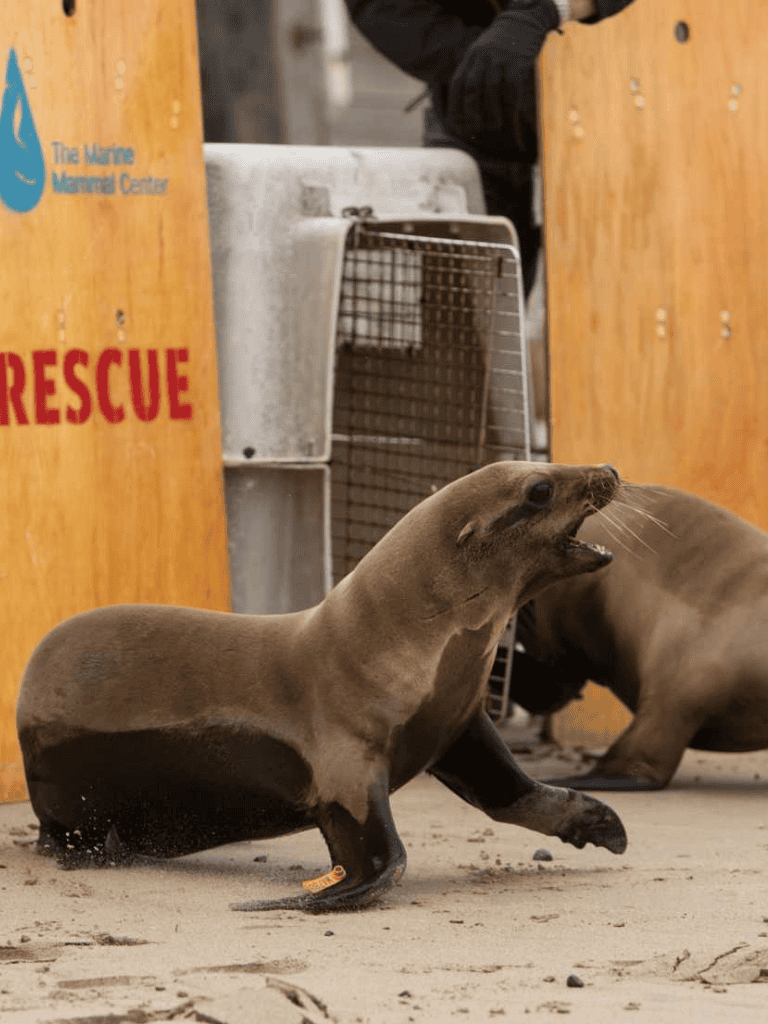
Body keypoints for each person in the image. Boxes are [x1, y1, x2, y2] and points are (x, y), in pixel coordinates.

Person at [344, 0, 636, 297]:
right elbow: (376, 6)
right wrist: (479, 58)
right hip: (474, 104)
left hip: (620, 85)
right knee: (469, 308)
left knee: (623, 286)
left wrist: (544, 10)